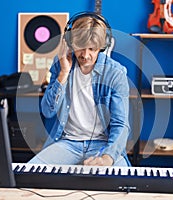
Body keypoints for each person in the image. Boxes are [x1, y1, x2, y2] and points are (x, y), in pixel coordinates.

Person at [28, 12, 131, 166]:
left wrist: (107, 158)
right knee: (30, 173)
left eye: (92, 49)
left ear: (102, 47)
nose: (86, 55)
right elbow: (47, 111)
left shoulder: (116, 73)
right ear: (70, 42)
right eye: (81, 47)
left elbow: (121, 125)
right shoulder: (60, 64)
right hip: (67, 143)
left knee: (120, 183)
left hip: (103, 145)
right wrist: (63, 73)